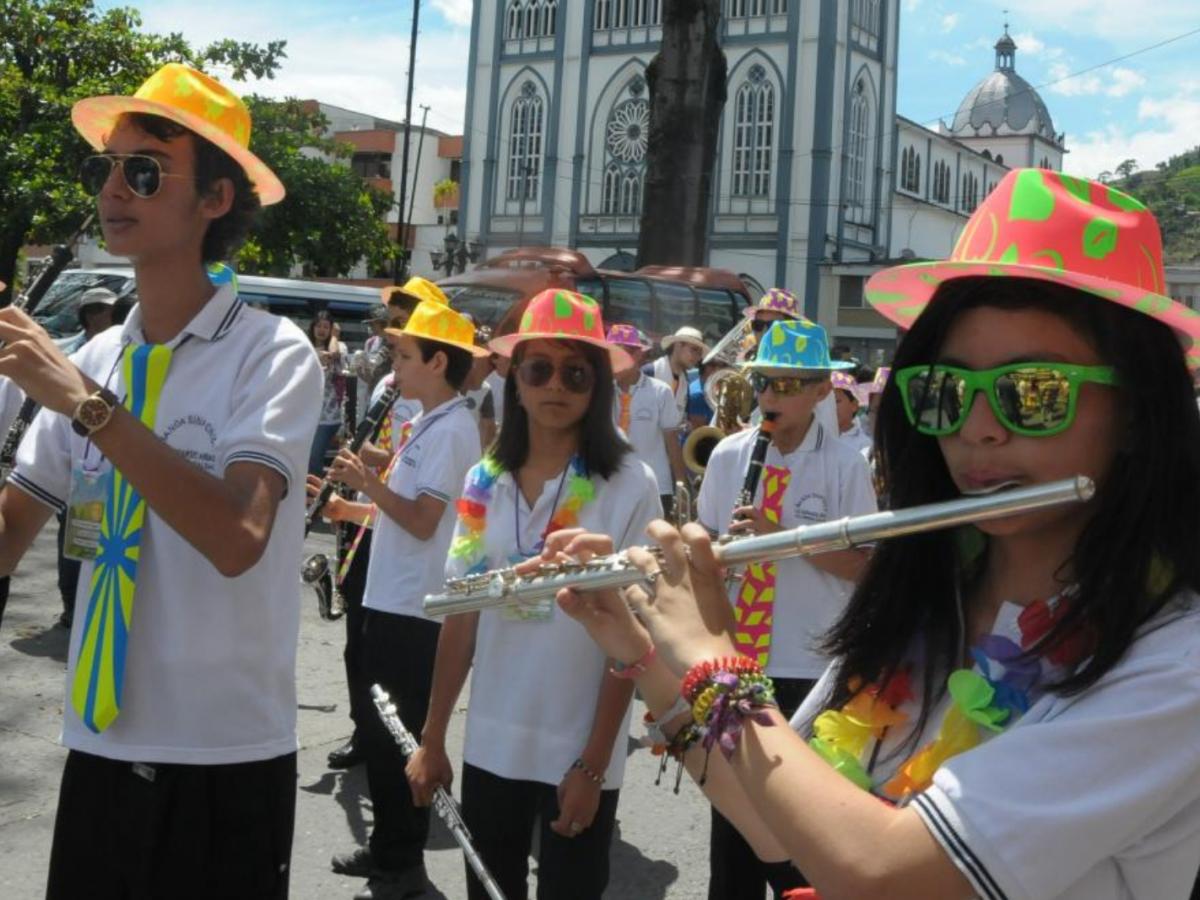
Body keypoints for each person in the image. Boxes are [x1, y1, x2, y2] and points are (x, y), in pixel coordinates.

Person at [552, 168, 1200, 900]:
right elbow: (783, 829)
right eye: (945, 393)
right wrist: (646, 656)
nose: (978, 430)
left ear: (1139, 414)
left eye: (1033, 393)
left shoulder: (1175, 666)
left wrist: (712, 658)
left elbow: (885, 873)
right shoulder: (920, 608)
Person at [0, 63, 319, 898]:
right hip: (100, 747)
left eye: (143, 170)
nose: (112, 187)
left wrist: (86, 407)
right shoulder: (100, 356)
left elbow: (238, 538)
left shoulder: (272, 352)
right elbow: (8, 539)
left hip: (223, 757)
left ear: (216, 199)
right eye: (105, 166)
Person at [406, 288, 661, 900]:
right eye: (539, 368)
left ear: (598, 385)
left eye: (576, 372)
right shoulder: (482, 480)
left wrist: (595, 763)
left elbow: (632, 640)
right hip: (492, 744)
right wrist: (433, 736)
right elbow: (461, 616)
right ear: (514, 380)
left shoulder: (630, 482)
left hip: (578, 753)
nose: (556, 384)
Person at [695, 317, 877, 899]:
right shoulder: (728, 456)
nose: (772, 396)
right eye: (766, 383)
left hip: (809, 664)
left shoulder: (847, 463)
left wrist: (782, 535)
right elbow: (703, 546)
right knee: (736, 829)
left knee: (803, 832)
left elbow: (866, 566)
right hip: (740, 660)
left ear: (823, 389)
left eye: (789, 385)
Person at [317, 299, 485, 900]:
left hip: (416, 608)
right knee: (387, 743)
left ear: (439, 362)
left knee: (400, 741)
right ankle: (389, 848)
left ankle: (403, 867)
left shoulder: (453, 430)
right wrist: (349, 507)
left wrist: (367, 484)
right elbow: (407, 515)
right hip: (392, 599)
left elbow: (420, 521)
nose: (395, 364)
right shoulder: (428, 422)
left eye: (406, 355)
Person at [325, 280, 440, 772]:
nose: (390, 329)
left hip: (399, 513)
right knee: (359, 637)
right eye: (390, 320)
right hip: (373, 513)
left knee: (391, 648)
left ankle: (394, 741)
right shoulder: (390, 380)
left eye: (400, 320)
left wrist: (369, 463)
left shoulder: (434, 388)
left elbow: (422, 462)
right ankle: (363, 729)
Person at [608, 323, 687, 517]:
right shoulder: (600, 392)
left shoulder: (660, 391)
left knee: (653, 545)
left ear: (637, 356)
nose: (611, 361)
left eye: (619, 354)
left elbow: (672, 442)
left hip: (655, 488)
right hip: (610, 484)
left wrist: (680, 485)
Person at [308, 308, 347, 476]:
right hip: (306, 414)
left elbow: (334, 354)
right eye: (318, 326)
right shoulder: (305, 346)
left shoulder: (338, 347)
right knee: (305, 458)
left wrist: (335, 336)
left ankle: (317, 497)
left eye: (326, 327)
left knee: (313, 458)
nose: (321, 330)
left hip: (327, 416)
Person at [652, 326, 709, 420]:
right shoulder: (650, 372)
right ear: (678, 345)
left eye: (699, 353)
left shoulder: (685, 381)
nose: (698, 357)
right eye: (694, 350)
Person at [830, 371, 873, 460]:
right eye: (827, 402)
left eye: (837, 401)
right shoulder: (817, 438)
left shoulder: (863, 444)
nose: (831, 407)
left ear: (854, 405)